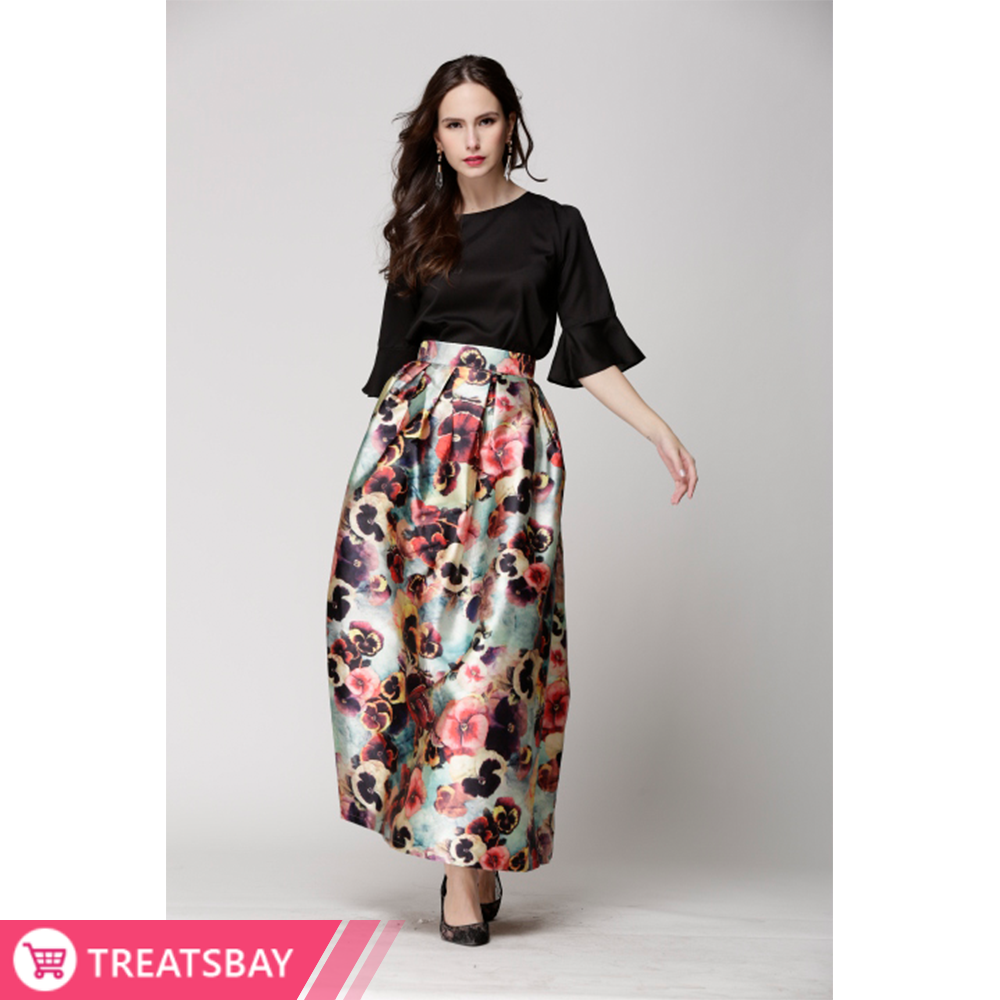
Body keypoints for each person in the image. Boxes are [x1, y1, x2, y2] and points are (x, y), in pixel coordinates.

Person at [325, 55, 698, 947]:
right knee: (412, 649)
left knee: (494, 656)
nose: (472, 139)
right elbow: (395, 366)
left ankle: (470, 854)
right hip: (413, 457)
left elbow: (591, 350)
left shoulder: (555, 227)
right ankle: (464, 863)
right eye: (454, 124)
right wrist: (380, 482)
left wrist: (656, 428)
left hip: (510, 457)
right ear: (435, 137)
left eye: (485, 120)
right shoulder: (420, 227)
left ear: (511, 124)